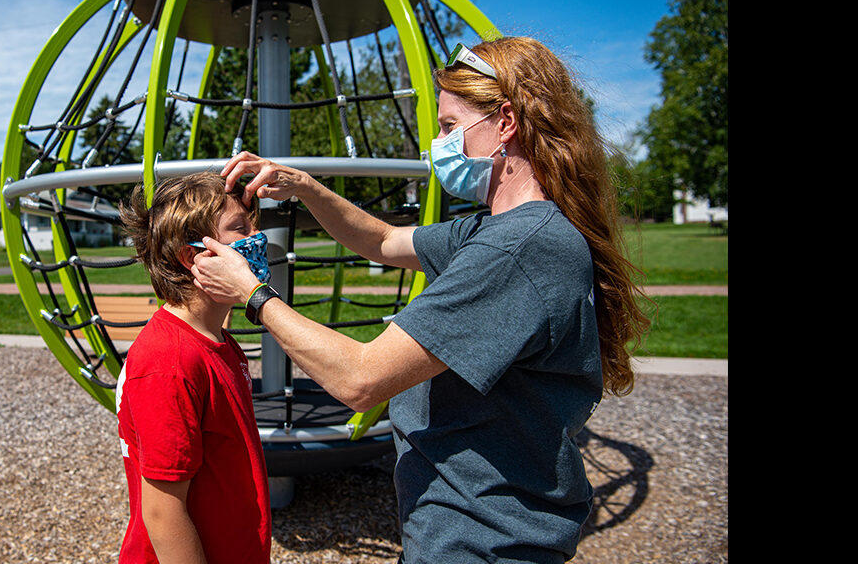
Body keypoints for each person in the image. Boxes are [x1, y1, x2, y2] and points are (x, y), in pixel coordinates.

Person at [190, 37, 650, 563]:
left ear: (505, 123)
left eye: (450, 126)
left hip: (482, 539)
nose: (438, 142)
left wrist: (252, 293)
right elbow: (383, 241)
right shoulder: (498, 229)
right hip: (469, 525)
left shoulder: (517, 248)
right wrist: (306, 188)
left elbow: (361, 380)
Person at [115, 172, 272, 564]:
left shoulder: (217, 339)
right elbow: (162, 511)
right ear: (194, 258)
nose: (257, 236)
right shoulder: (169, 362)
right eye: (241, 228)